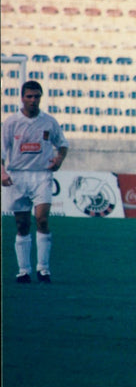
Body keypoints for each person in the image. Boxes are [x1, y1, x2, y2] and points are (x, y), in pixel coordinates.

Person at [1, 80, 69, 283]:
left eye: (36, 96)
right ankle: (24, 270)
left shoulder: (49, 121)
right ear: (22, 98)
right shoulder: (11, 123)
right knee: (22, 224)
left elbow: (63, 144)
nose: (33, 100)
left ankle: (43, 269)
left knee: (42, 219)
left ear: (41, 97)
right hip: (18, 176)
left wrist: (59, 159)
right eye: (29, 96)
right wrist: (2, 173)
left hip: (41, 175)